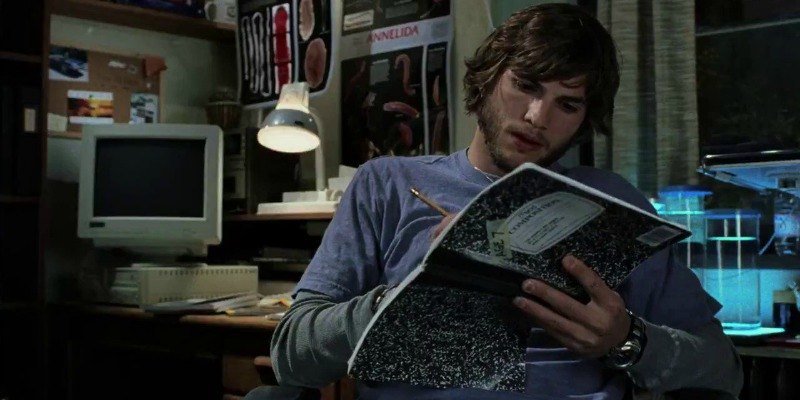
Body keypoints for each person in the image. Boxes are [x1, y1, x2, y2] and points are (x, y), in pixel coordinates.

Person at [267, 4, 743, 399]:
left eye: (568, 104)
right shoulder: (387, 184)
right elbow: (291, 356)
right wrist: (398, 301)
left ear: (584, 119)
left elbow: (723, 369)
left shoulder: (611, 200)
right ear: (488, 79)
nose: (537, 116)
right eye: (526, 85)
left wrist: (626, 341)